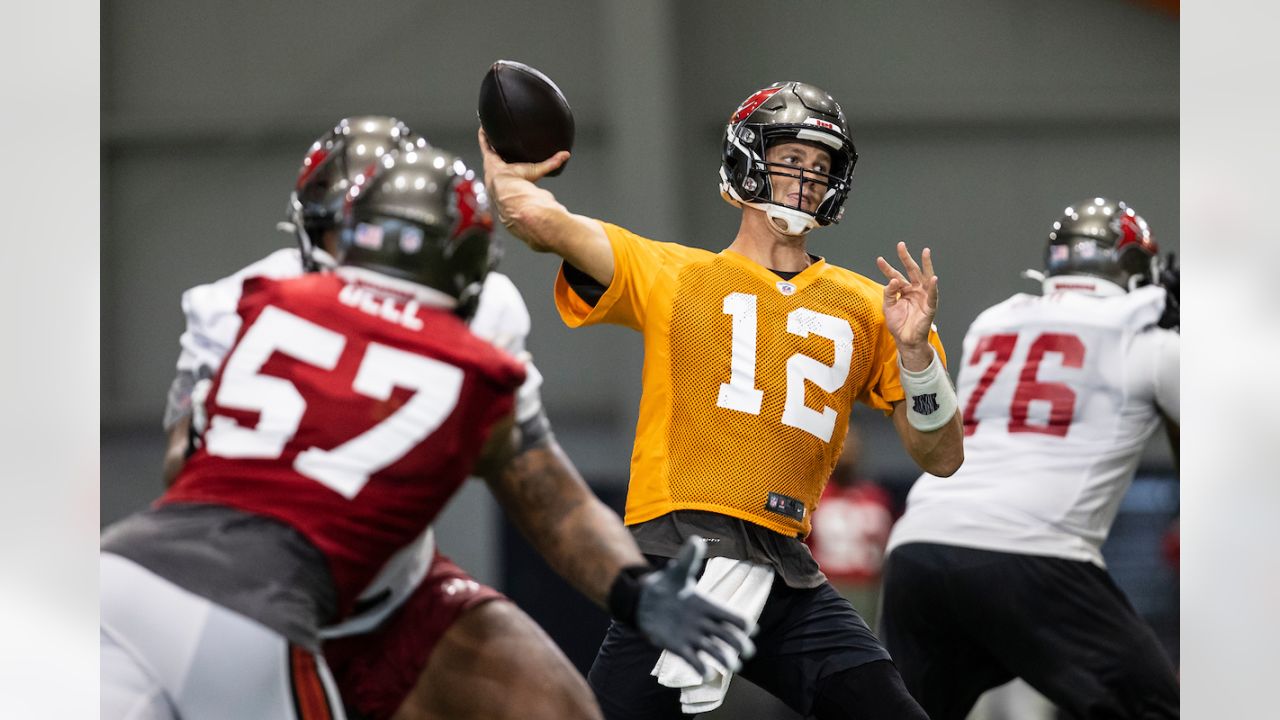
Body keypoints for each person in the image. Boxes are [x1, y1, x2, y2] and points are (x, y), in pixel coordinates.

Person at [101, 141, 750, 720]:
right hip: (264, 607)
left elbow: (186, 464)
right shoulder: (475, 361)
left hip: (160, 568)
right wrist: (633, 588)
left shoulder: (263, 299)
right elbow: (543, 488)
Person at [480, 80, 964, 720]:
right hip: (680, 552)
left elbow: (943, 455)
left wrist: (917, 358)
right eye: (793, 158)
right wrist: (509, 178)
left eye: (821, 167)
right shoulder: (676, 274)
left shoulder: (877, 307)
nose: (807, 178)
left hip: (788, 569)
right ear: (747, 159)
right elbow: (542, 222)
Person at [878, 197, 1181, 719]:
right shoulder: (1149, 338)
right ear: (1134, 267)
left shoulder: (997, 322)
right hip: (1034, 554)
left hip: (919, 547)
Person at [805, 425, 895, 631]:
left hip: (869, 590)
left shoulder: (876, 495)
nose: (849, 451)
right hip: (826, 587)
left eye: (853, 444)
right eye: (844, 444)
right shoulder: (815, 495)